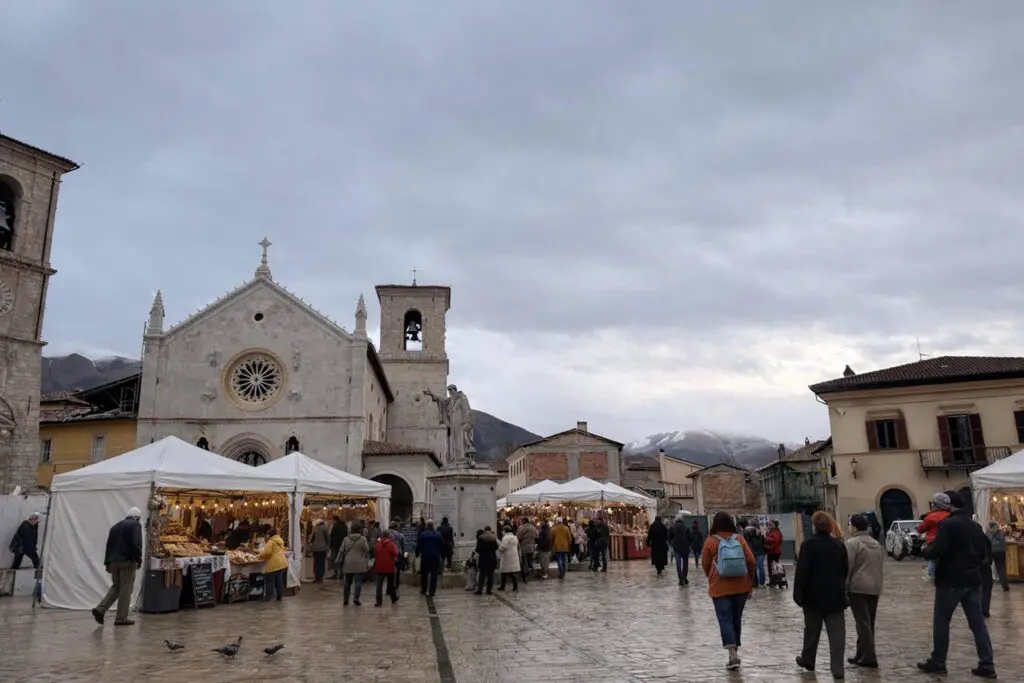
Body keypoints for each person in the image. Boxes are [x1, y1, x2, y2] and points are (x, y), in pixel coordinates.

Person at [917, 490, 997, 679]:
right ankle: (987, 664)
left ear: (949, 505)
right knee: (978, 624)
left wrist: (925, 551)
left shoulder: (948, 524)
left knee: (942, 621)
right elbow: (985, 550)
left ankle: (938, 661)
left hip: (951, 580)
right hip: (973, 579)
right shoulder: (975, 526)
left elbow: (937, 550)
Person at [793, 511, 849, 679]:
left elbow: (802, 572)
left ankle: (808, 659)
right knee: (837, 635)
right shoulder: (839, 545)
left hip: (812, 597)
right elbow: (845, 570)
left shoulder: (808, 545)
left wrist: (798, 594)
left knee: (811, 631)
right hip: (835, 596)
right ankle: (838, 669)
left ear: (815, 526)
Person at [702, 512, 755, 671]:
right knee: (736, 619)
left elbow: (705, 563)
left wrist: (711, 576)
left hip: (719, 587)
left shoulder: (711, 541)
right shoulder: (739, 539)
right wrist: (750, 580)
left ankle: (732, 655)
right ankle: (735, 651)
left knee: (725, 619)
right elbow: (751, 561)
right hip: (741, 586)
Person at [91, 507, 143, 626]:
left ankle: (100, 609)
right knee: (126, 590)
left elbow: (109, 546)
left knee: (116, 586)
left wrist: (107, 562)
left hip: (114, 561)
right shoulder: (135, 525)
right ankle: (121, 618)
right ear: (138, 517)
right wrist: (138, 558)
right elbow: (136, 543)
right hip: (127, 561)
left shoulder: (115, 526)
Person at [845, 513, 884, 669]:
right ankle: (861, 653)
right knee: (869, 622)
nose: (849, 527)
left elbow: (848, 566)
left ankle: (869, 656)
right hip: (875, 586)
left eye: (849, 525)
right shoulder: (876, 543)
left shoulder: (852, 543)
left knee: (862, 622)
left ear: (854, 527)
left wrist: (844, 585)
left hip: (858, 587)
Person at [918, 492, 952, 581]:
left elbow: (921, 529)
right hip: (948, 542)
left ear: (935, 505)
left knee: (933, 558)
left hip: (934, 542)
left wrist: (917, 527)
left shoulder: (930, 517)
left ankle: (931, 573)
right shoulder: (950, 515)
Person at [337, 521, 370, 606]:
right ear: (359, 530)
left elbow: (341, 550)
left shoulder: (346, 539)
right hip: (359, 563)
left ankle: (346, 599)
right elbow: (367, 549)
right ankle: (356, 598)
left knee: (347, 582)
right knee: (358, 582)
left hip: (348, 563)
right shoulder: (363, 539)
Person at [259, 527, 289, 602]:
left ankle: (268, 597)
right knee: (279, 580)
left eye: (267, 534)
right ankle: (279, 596)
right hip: (282, 562)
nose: (266, 536)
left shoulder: (271, 542)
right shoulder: (279, 540)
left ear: (270, 535)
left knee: (270, 581)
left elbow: (267, 552)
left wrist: (259, 556)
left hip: (273, 563)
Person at [416, 519, 444, 597]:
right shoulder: (438, 534)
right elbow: (442, 545)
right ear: (433, 526)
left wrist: (417, 554)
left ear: (427, 526)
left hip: (425, 557)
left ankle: (424, 589)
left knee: (424, 574)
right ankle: (432, 591)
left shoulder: (422, 534)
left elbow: (419, 546)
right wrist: (440, 554)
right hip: (435, 556)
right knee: (434, 574)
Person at [373, 529, 400, 606]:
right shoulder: (391, 544)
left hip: (379, 566)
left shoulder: (378, 544)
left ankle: (378, 601)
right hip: (389, 566)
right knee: (391, 583)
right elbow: (396, 553)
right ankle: (393, 598)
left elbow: (375, 554)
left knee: (379, 585)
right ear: (388, 535)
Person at [475, 526, 500, 595]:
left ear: (484, 530)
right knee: (490, 575)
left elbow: (477, 549)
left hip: (483, 558)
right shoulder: (493, 538)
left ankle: (480, 590)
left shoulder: (481, 538)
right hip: (492, 558)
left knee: (482, 575)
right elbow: (496, 547)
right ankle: (489, 590)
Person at [669, 513, 692, 585]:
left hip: (676, 548)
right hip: (685, 548)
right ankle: (684, 577)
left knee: (678, 564)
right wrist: (689, 545)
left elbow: (669, 537)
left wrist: (671, 542)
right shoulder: (686, 527)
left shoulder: (672, 527)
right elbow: (690, 538)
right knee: (685, 564)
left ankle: (680, 579)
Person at [986, 521, 1010, 592]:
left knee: (987, 568)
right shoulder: (1000, 532)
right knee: (1001, 568)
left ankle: (987, 585)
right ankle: (1004, 586)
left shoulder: (987, 532)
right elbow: (1003, 541)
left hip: (990, 551)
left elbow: (986, 541)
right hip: (1000, 551)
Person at [743, 522, 767, 587]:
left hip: (755, 551)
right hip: (759, 551)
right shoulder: (761, 532)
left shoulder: (749, 532)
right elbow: (765, 541)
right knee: (760, 567)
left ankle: (756, 583)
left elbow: (747, 541)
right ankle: (761, 583)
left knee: (755, 567)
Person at [498, 526, 521, 591]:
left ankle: (503, 586)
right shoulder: (515, 537)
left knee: (504, 572)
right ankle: (515, 586)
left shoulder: (505, 538)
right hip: (514, 556)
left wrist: (499, 548)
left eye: (502, 531)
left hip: (507, 557)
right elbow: (518, 546)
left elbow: (503, 547)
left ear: (504, 531)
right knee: (511, 572)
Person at [387, 520, 406, 597]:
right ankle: (396, 585)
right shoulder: (400, 535)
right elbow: (403, 545)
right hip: (398, 553)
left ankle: (389, 587)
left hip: (388, 553)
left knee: (389, 570)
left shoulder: (386, 533)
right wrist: (403, 554)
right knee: (397, 570)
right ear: (396, 527)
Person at [516, 517, 538, 582]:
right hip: (532, 546)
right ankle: (534, 573)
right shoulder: (533, 528)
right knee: (530, 561)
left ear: (523, 521)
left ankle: (526, 573)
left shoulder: (521, 528)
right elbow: (537, 536)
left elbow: (518, 537)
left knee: (524, 560)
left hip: (524, 546)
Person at [310, 519, 331, 583]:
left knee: (316, 562)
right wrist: (328, 546)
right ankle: (320, 577)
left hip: (315, 548)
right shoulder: (325, 528)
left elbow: (312, 539)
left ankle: (316, 577)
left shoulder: (315, 528)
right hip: (323, 548)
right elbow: (328, 538)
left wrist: (313, 545)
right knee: (321, 563)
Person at [329, 516, 347, 580]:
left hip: (335, 545)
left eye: (332, 520)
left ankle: (335, 573)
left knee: (334, 559)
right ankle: (342, 573)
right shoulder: (344, 526)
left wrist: (330, 545)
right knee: (341, 560)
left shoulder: (335, 527)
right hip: (342, 545)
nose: (332, 522)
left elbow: (331, 536)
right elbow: (346, 535)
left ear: (335, 520)